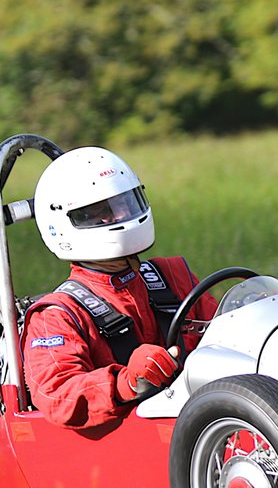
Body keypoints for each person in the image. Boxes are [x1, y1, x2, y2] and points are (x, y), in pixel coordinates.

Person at [22, 146, 219, 430]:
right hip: (124, 445)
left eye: (125, 203)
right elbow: (57, 394)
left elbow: (224, 333)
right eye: (101, 212)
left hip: (201, 420)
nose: (120, 215)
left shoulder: (172, 275)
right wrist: (126, 381)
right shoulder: (57, 316)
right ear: (64, 224)